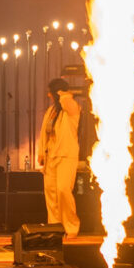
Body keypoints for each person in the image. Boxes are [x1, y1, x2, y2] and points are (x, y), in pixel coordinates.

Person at [37, 79, 86, 239]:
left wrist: (62, 93)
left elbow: (66, 100)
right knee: (51, 193)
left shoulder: (72, 107)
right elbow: (44, 132)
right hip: (51, 156)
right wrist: (41, 152)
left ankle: (71, 227)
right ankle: (55, 228)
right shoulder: (51, 110)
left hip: (66, 155)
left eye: (51, 92)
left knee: (63, 190)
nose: (48, 95)